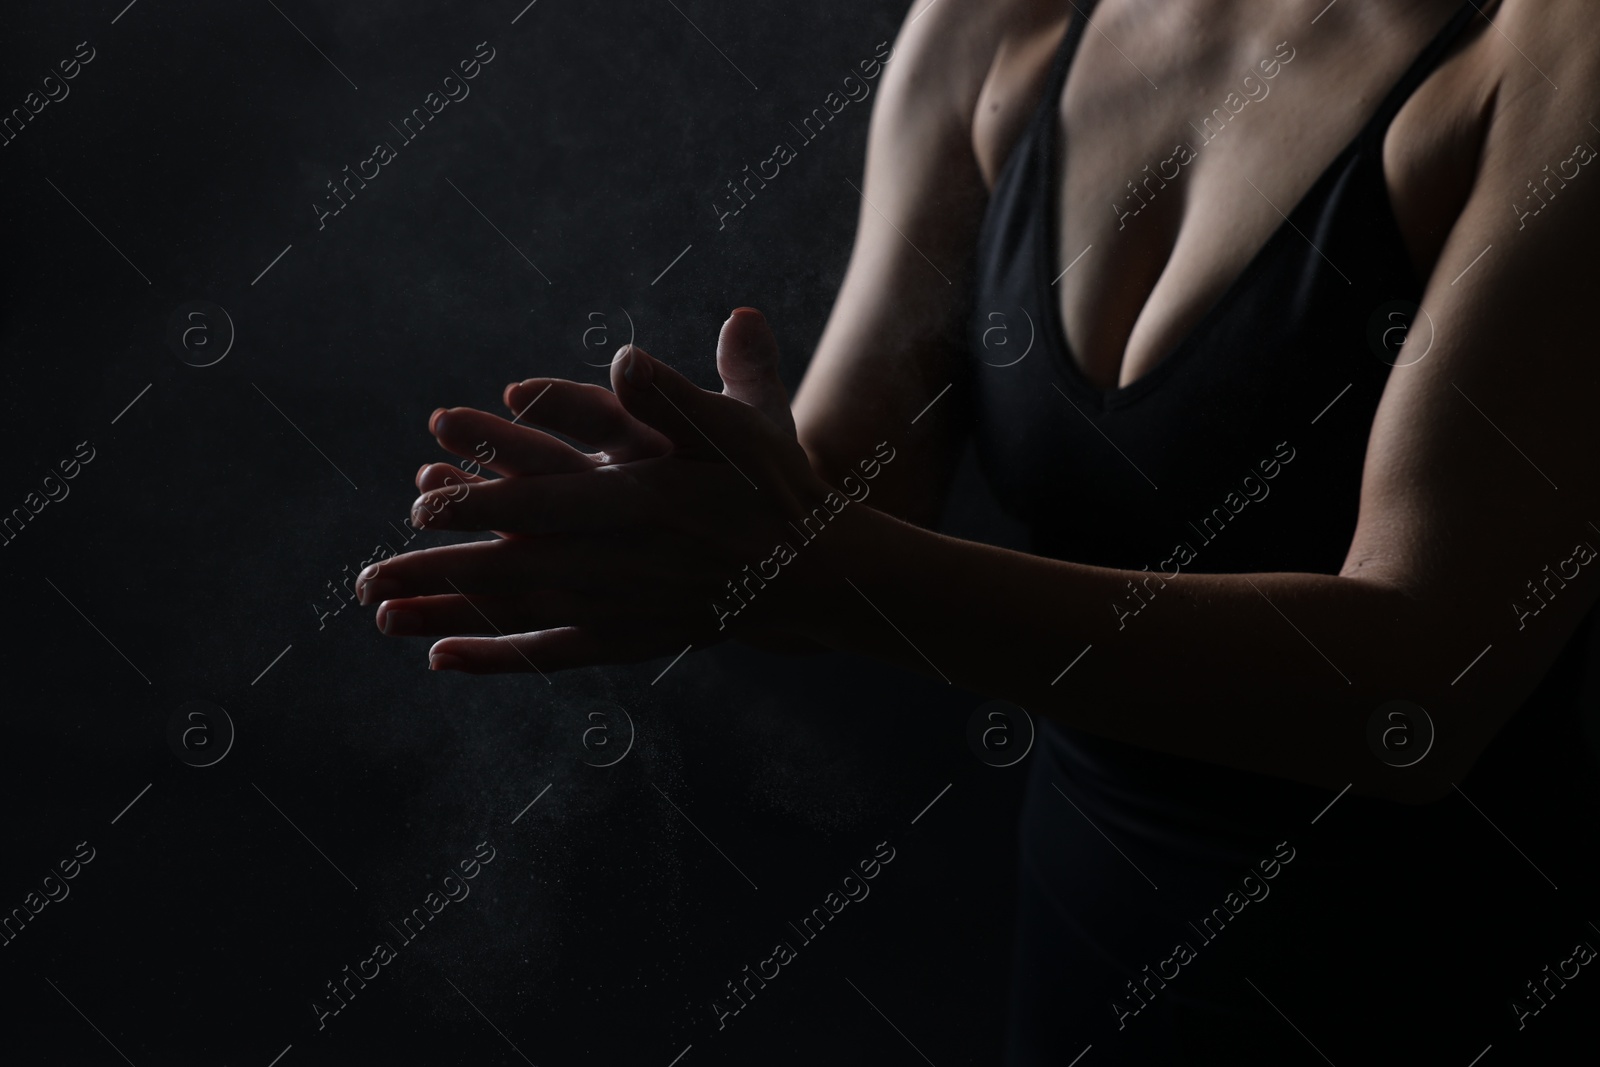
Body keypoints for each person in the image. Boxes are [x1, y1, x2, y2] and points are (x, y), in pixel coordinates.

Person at [357, 0, 1600, 1059]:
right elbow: (852, 490)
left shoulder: (1546, 50)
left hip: (1433, 982)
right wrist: (684, 496)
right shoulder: (1001, 23)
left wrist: (822, 571)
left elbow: (1422, 687)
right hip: (1089, 966)